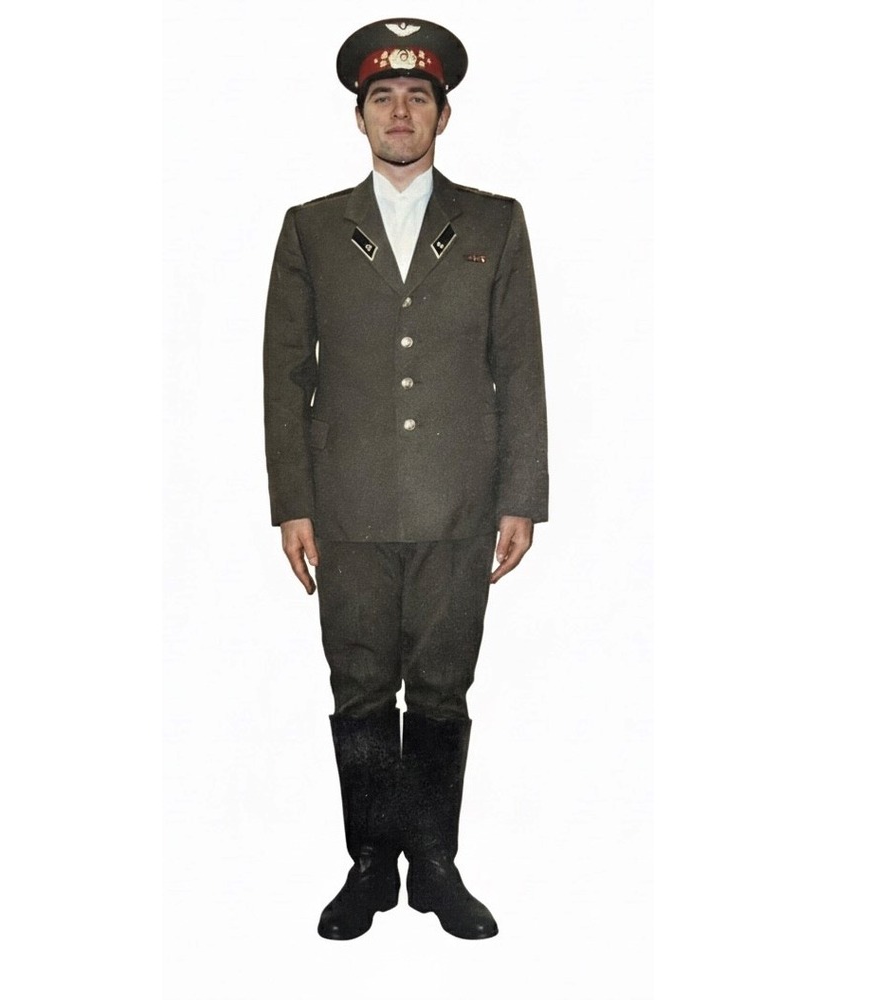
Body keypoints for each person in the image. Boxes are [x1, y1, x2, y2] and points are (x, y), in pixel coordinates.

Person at [263, 18, 548, 940]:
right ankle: (368, 868)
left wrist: (522, 497)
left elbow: (519, 365)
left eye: (417, 97)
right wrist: (292, 503)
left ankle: (432, 866)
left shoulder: (495, 223)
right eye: (382, 98)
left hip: (459, 505)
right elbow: (285, 375)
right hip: (344, 509)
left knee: (440, 690)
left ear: (442, 115)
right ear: (360, 117)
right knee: (357, 690)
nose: (399, 112)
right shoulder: (311, 228)